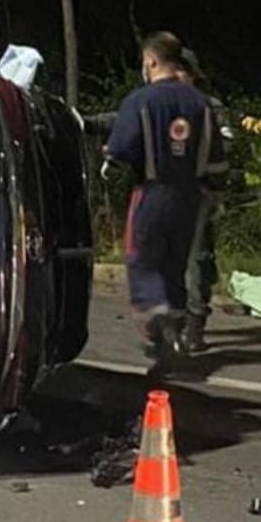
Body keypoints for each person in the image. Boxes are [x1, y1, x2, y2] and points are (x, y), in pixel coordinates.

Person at [102, 31, 227, 367]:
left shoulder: (140, 101)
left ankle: (157, 316)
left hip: (152, 191)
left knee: (142, 258)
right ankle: (176, 323)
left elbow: (120, 150)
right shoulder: (201, 103)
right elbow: (215, 158)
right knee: (175, 263)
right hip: (191, 197)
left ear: (151, 61)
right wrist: (214, 192)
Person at [175, 47, 237, 353]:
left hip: (199, 193)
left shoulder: (210, 107)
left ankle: (195, 323)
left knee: (197, 260)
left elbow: (225, 144)